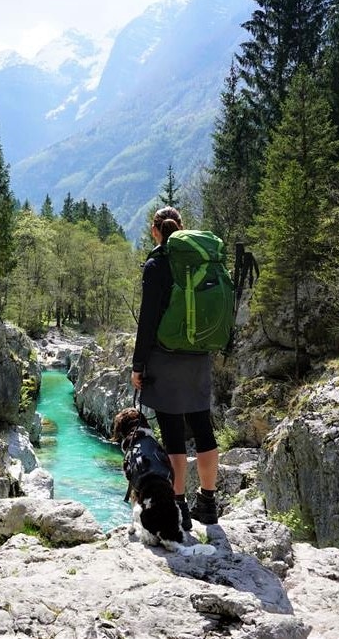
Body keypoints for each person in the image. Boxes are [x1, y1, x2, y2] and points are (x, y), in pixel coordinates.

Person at [130, 206, 219, 528]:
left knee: (172, 435)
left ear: (155, 231)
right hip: (199, 354)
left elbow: (148, 320)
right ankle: (208, 503)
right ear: (181, 228)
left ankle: (178, 506)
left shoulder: (157, 263)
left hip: (164, 357)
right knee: (203, 427)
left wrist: (138, 364)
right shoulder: (201, 260)